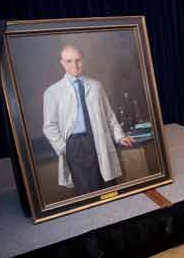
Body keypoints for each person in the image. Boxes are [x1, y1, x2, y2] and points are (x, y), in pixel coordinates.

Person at [43, 45, 134, 195]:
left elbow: (109, 116)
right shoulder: (52, 92)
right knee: (86, 189)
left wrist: (119, 136)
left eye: (78, 60)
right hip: (74, 145)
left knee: (108, 185)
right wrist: (65, 148)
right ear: (62, 63)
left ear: (83, 61)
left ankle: (114, 215)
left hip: (97, 139)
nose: (75, 65)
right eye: (69, 61)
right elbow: (49, 126)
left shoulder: (96, 86)